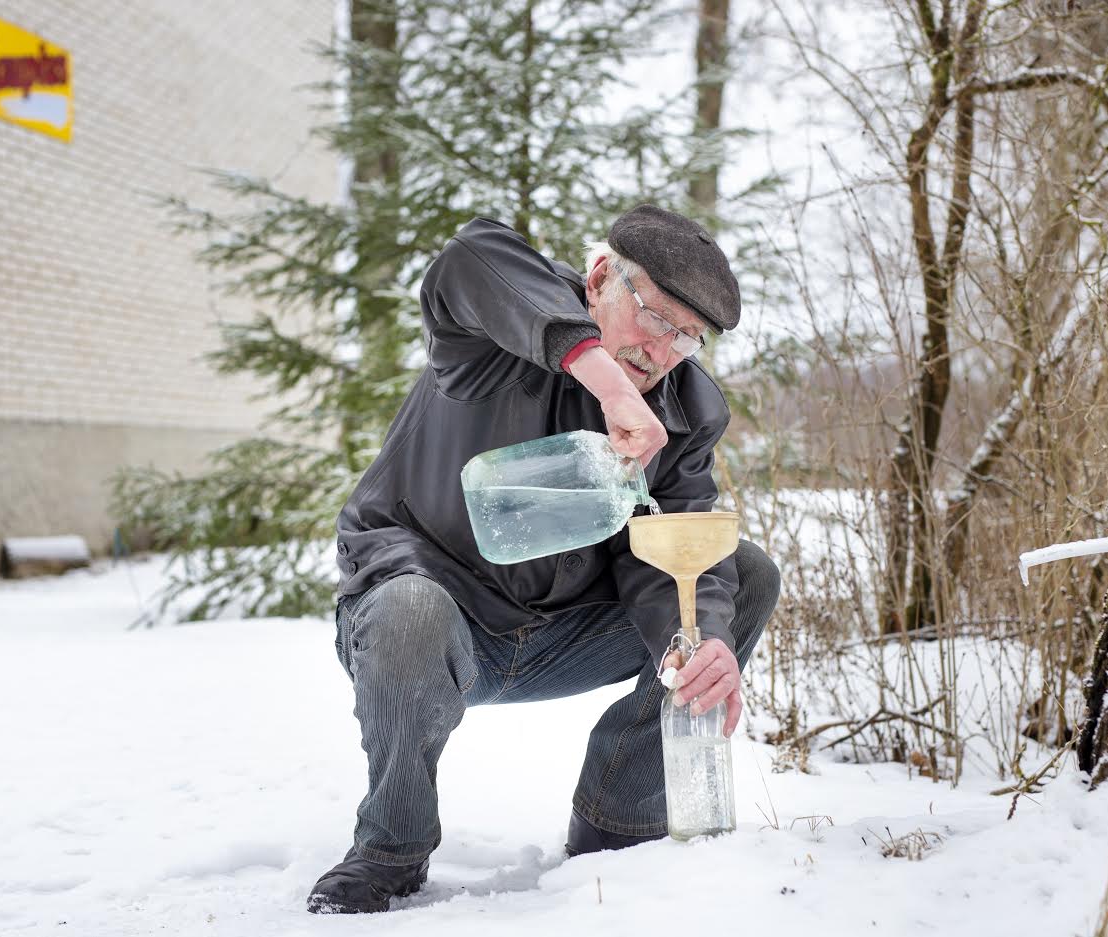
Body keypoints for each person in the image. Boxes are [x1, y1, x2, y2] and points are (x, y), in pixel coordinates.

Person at [308, 204, 781, 914]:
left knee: (740, 575)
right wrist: (607, 383)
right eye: (656, 318)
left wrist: (701, 637)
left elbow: (671, 546)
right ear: (598, 278)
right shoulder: (495, 331)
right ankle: (392, 849)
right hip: (429, 622)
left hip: (561, 638)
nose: (663, 352)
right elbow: (468, 255)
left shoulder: (687, 408)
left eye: (688, 337)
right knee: (411, 608)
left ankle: (617, 822)